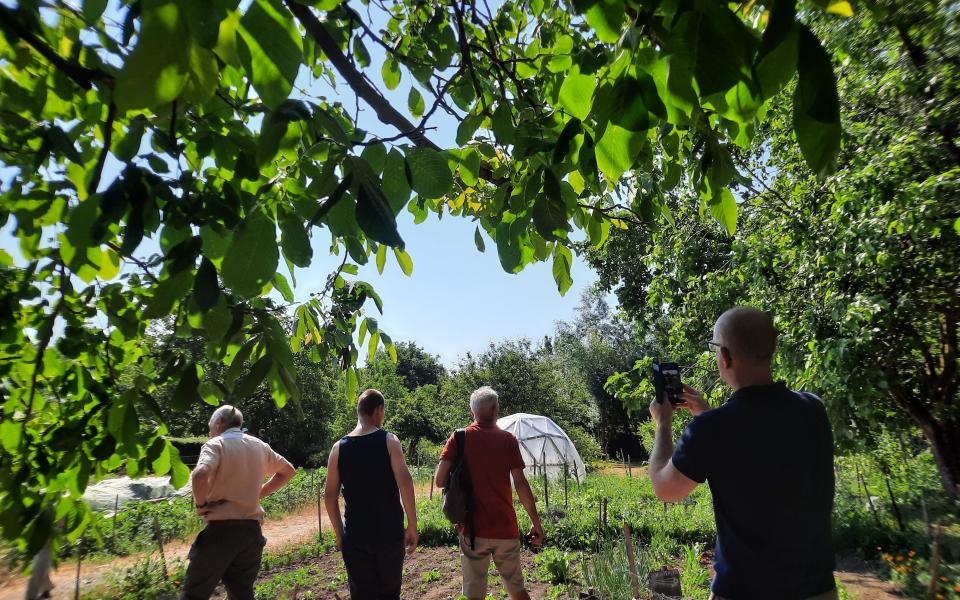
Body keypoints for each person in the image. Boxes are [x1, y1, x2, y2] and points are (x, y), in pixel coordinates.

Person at [647, 307, 836, 600]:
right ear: (771, 349)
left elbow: (664, 488)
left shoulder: (712, 430)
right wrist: (707, 416)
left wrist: (664, 423)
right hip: (817, 590)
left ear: (725, 356)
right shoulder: (813, 409)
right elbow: (761, 448)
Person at [435, 386, 544, 600]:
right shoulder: (508, 440)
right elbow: (521, 484)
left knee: (475, 594)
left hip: (472, 530)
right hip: (505, 528)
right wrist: (536, 523)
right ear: (496, 409)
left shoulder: (459, 438)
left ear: (472, 412)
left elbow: (439, 481)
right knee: (516, 589)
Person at [180, 405, 296, 600]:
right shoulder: (259, 445)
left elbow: (200, 474)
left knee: (194, 594)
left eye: (210, 427)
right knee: (241, 594)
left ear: (218, 424)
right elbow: (288, 470)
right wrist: (257, 494)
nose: (210, 432)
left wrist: (200, 506)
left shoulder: (215, 444)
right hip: (251, 535)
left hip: (220, 534)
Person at [325, 389, 418, 600]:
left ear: (359, 412)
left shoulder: (338, 448)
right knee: (389, 594)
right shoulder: (389, 441)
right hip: (389, 536)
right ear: (378, 411)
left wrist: (340, 534)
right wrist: (412, 524)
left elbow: (330, 497)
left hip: (356, 537)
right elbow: (406, 483)